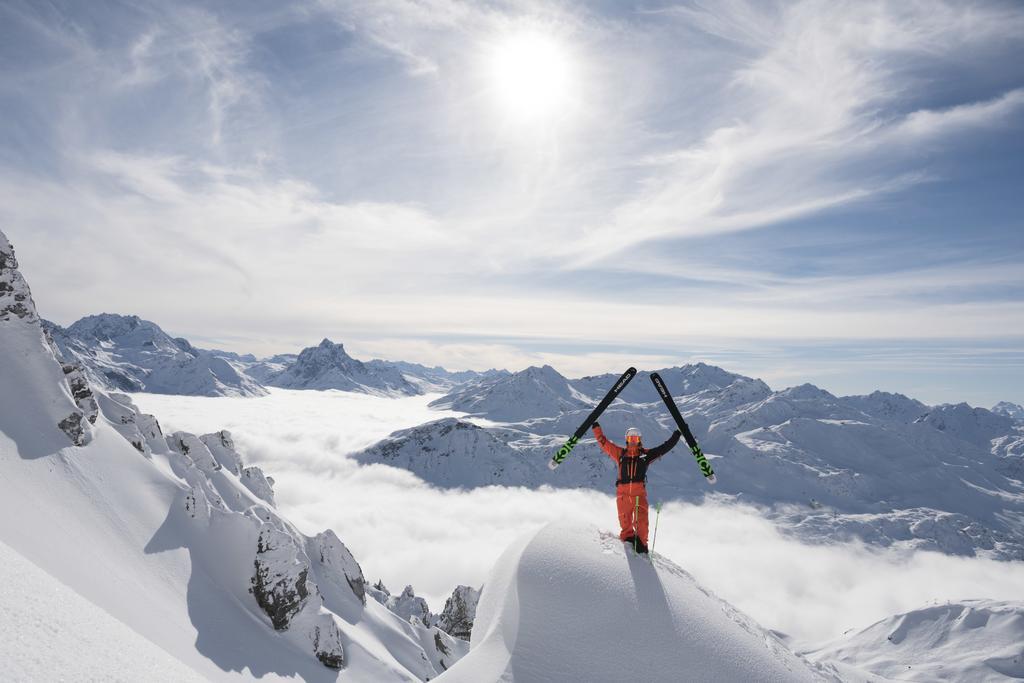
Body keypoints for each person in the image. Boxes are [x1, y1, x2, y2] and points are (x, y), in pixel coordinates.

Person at [592, 423, 680, 554]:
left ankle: (642, 546)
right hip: (623, 494)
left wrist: (677, 435)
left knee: (642, 523)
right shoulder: (621, 454)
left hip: (639, 494)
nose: (633, 442)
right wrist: (596, 429)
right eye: (631, 439)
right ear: (627, 440)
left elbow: (664, 448)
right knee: (625, 522)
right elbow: (604, 444)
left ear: (640, 440)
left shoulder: (645, 455)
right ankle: (628, 543)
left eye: (636, 439)